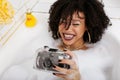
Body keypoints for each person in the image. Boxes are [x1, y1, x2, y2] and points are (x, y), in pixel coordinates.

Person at [1, 0, 120, 80]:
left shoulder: (99, 55)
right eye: (63, 21)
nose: (67, 29)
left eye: (76, 24)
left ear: (87, 25)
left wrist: (76, 77)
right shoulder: (45, 45)